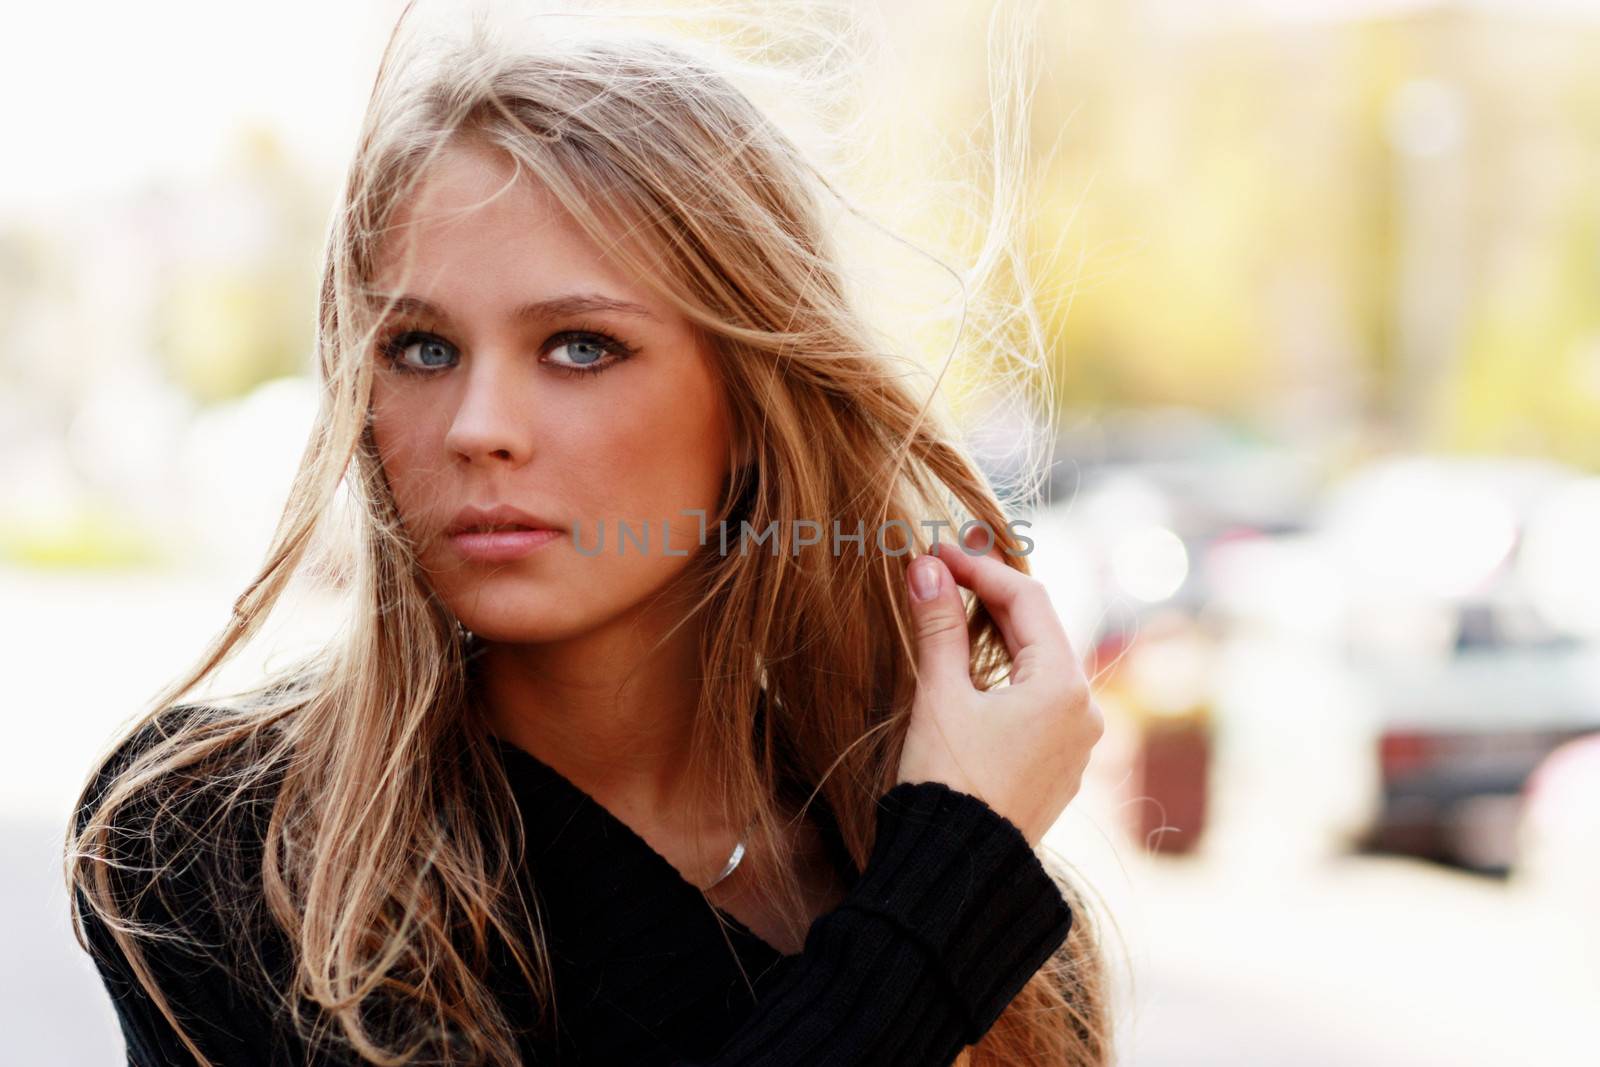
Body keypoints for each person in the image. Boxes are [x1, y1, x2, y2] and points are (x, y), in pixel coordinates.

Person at [64, 7, 1110, 1065]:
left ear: (752, 404)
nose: (477, 428)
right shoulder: (226, 843)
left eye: (578, 345)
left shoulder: (992, 922)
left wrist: (944, 886)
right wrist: (930, 923)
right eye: (422, 348)